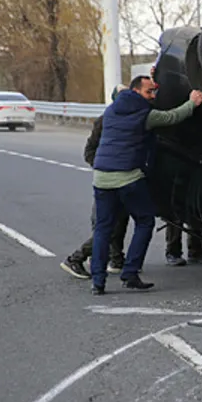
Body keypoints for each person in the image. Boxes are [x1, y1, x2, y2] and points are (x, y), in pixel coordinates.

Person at [89, 75, 202, 295]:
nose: (153, 96)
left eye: (154, 91)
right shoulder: (145, 115)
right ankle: (130, 272)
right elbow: (172, 117)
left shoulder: (111, 110)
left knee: (103, 229)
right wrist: (192, 103)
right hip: (127, 177)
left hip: (101, 177)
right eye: (149, 92)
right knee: (144, 221)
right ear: (136, 91)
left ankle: (98, 282)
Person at [60, 84, 130, 280]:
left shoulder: (129, 118)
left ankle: (115, 259)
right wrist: (104, 167)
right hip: (108, 181)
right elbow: (90, 151)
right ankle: (76, 258)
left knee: (120, 220)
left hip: (123, 179)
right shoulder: (106, 120)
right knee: (106, 225)